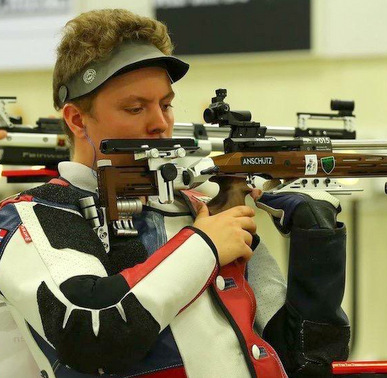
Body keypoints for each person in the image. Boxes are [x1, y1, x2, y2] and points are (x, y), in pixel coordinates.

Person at [0, 9, 350, 378]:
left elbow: (303, 356)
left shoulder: (202, 208)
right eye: (135, 108)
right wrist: (204, 246)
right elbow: (92, 334)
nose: (159, 123)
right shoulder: (36, 215)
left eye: (166, 105)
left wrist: (317, 242)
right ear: (76, 119)